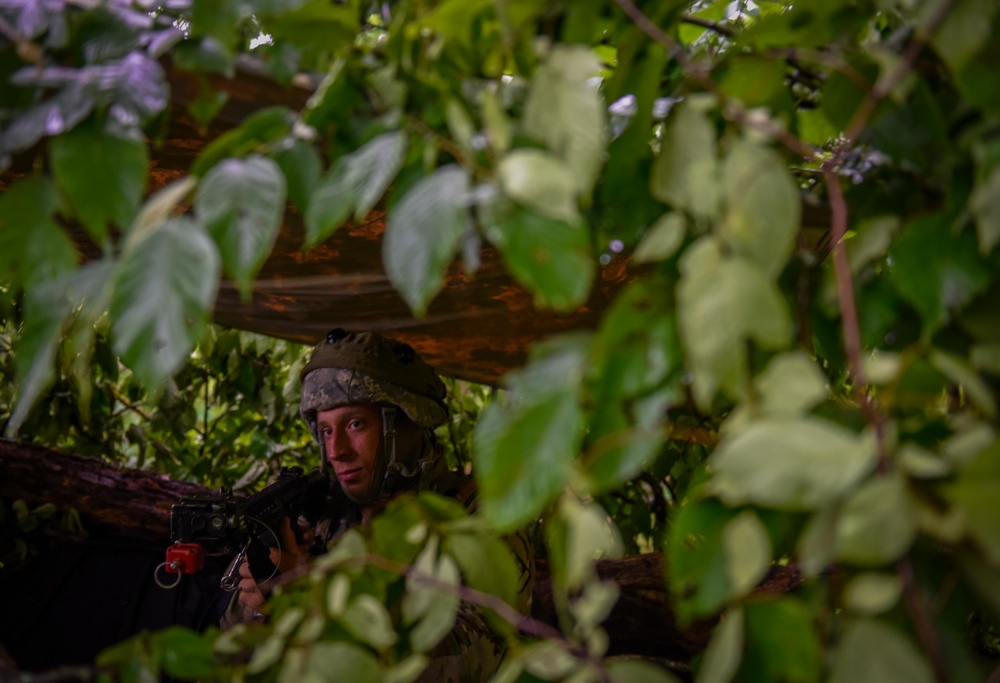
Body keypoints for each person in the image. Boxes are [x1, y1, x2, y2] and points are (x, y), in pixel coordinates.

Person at [223, 328, 534, 680]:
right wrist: (263, 606)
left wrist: (313, 601)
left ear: (407, 424)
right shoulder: (318, 512)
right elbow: (231, 651)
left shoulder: (480, 517)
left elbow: (466, 662)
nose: (337, 449)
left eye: (355, 424)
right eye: (326, 431)